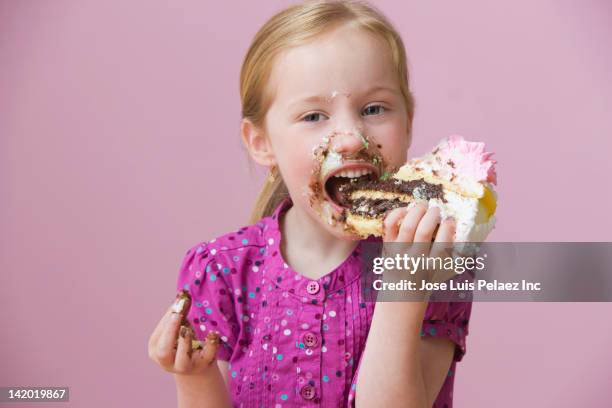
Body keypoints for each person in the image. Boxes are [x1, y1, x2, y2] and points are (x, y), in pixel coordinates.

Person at [148, 1, 472, 406]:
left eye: (374, 109)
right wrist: (195, 377)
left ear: (408, 123)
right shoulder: (222, 272)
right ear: (261, 143)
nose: (351, 137)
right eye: (314, 116)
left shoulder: (436, 262)